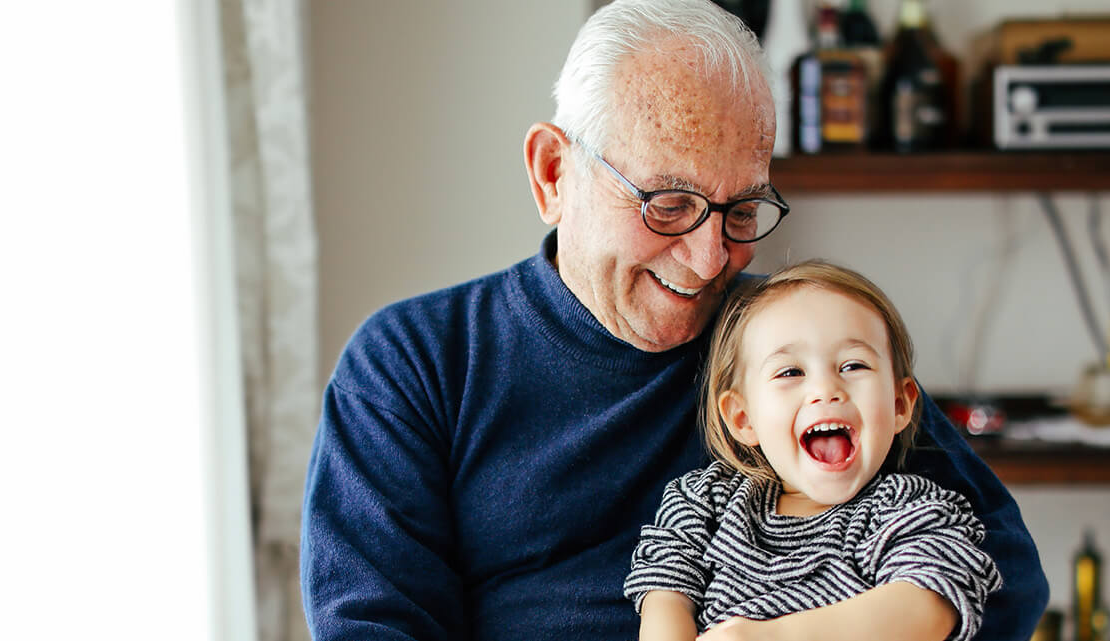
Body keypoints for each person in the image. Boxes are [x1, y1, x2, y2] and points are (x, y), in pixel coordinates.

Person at [300, 1, 1048, 639]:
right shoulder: (413, 364)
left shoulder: (790, 346)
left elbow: (1003, 571)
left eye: (742, 209)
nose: (705, 257)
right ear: (553, 173)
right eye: (667, 203)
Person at [625, 261, 1002, 641]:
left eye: (853, 365)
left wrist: (770, 638)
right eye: (790, 372)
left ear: (900, 405)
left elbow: (928, 606)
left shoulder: (907, 508)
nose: (825, 389)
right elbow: (664, 592)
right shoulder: (705, 501)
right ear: (743, 418)